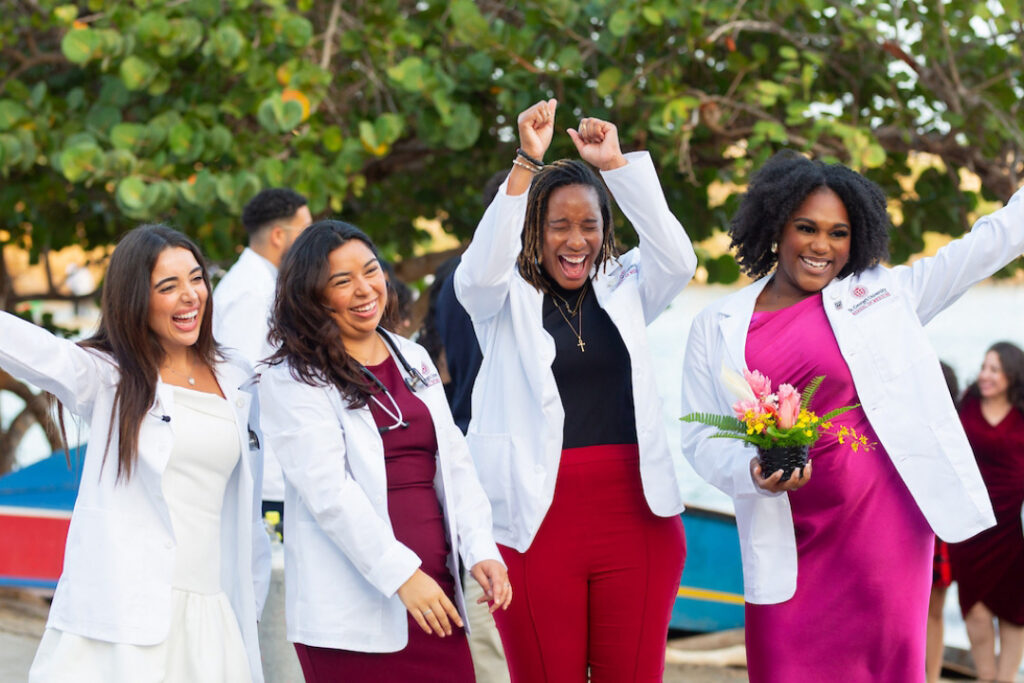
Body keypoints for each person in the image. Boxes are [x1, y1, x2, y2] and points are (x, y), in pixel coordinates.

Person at [678, 150, 1024, 681]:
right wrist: (749, 473)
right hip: (787, 531)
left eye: (838, 233)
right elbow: (701, 436)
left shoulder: (883, 296)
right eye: (806, 228)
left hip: (884, 531)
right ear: (776, 228)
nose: (822, 247)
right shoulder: (716, 323)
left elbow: (984, 247)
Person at [454, 99, 695, 683]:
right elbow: (478, 271)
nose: (576, 240)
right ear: (532, 228)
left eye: (589, 224)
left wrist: (614, 168)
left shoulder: (627, 285)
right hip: (537, 523)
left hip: (638, 517)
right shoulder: (501, 299)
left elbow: (679, 258)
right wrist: (526, 161)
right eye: (558, 225)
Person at [0, 225, 271, 682]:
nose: (190, 296)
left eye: (196, 278)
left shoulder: (237, 375)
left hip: (211, 612)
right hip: (122, 616)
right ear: (135, 301)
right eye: (168, 286)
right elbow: (34, 350)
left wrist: (254, 599)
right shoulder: (108, 377)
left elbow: (247, 510)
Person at [257, 220, 511, 682]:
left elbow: (454, 464)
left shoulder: (411, 359)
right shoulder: (294, 377)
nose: (364, 288)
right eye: (341, 281)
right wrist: (401, 575)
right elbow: (329, 491)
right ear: (311, 296)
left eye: (370, 271)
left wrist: (480, 549)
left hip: (436, 594)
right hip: (354, 610)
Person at [214, 187, 311, 523]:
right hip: (263, 476)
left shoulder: (264, 285)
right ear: (279, 235)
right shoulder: (251, 293)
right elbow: (241, 383)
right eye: (306, 230)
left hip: (272, 470)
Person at [949, 342, 1024, 682]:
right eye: (983, 367)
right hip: (973, 524)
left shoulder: (1022, 413)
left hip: (1014, 527)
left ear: (1011, 375)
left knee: (1015, 611)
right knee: (974, 608)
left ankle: (1006, 679)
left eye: (993, 369)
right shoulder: (966, 405)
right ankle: (986, 675)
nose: (984, 375)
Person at [926, 361, 961, 683]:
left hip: (936, 530)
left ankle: (932, 678)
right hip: (921, 527)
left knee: (934, 612)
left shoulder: (953, 432)